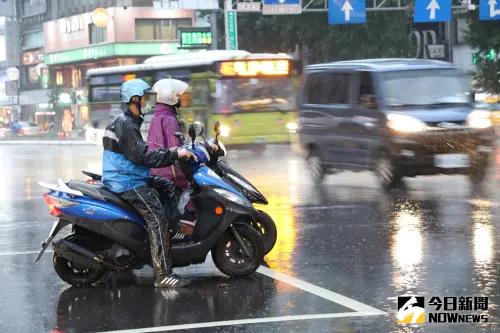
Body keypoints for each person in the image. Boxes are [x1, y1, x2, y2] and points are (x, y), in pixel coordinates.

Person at [102, 79, 194, 288]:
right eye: (143, 98)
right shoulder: (125, 124)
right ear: (134, 99)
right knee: (157, 218)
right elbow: (144, 157)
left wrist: (172, 153)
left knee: (166, 186)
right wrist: (174, 154)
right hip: (126, 180)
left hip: (130, 174)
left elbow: (143, 153)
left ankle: (167, 237)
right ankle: (162, 274)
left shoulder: (128, 121)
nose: (146, 102)